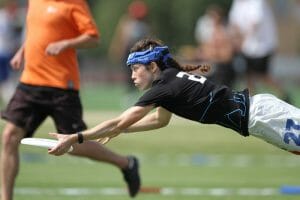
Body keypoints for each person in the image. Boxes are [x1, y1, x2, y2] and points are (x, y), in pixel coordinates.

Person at [48, 38, 300, 161]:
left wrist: (75, 137)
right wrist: (122, 130)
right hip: (259, 119)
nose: (132, 75)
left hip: (263, 116)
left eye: (136, 68)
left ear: (153, 66)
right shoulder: (169, 79)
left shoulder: (163, 88)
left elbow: (119, 121)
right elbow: (159, 121)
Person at [0, 1, 140, 200]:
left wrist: (66, 43)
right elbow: (37, 29)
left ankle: (126, 163)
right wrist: (22, 51)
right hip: (30, 81)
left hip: (61, 85)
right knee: (9, 137)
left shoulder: (74, 3)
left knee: (74, 146)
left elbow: (93, 38)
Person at [228, 0, 291, 101]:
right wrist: (235, 39)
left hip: (262, 46)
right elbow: (234, 22)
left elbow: (255, 23)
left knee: (262, 75)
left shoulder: (257, 2)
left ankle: (283, 93)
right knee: (248, 75)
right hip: (246, 47)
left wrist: (242, 39)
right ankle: (252, 100)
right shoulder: (238, 2)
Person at [109, 0, 151, 106]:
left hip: (141, 51)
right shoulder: (126, 22)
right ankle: (130, 95)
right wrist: (117, 50)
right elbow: (121, 38)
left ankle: (143, 94)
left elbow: (148, 39)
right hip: (129, 52)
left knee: (143, 73)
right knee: (129, 74)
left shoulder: (145, 24)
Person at [195, 5, 236, 88]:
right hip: (211, 65)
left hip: (222, 68)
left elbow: (227, 55)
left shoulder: (225, 32)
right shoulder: (208, 33)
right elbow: (204, 51)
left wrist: (214, 56)